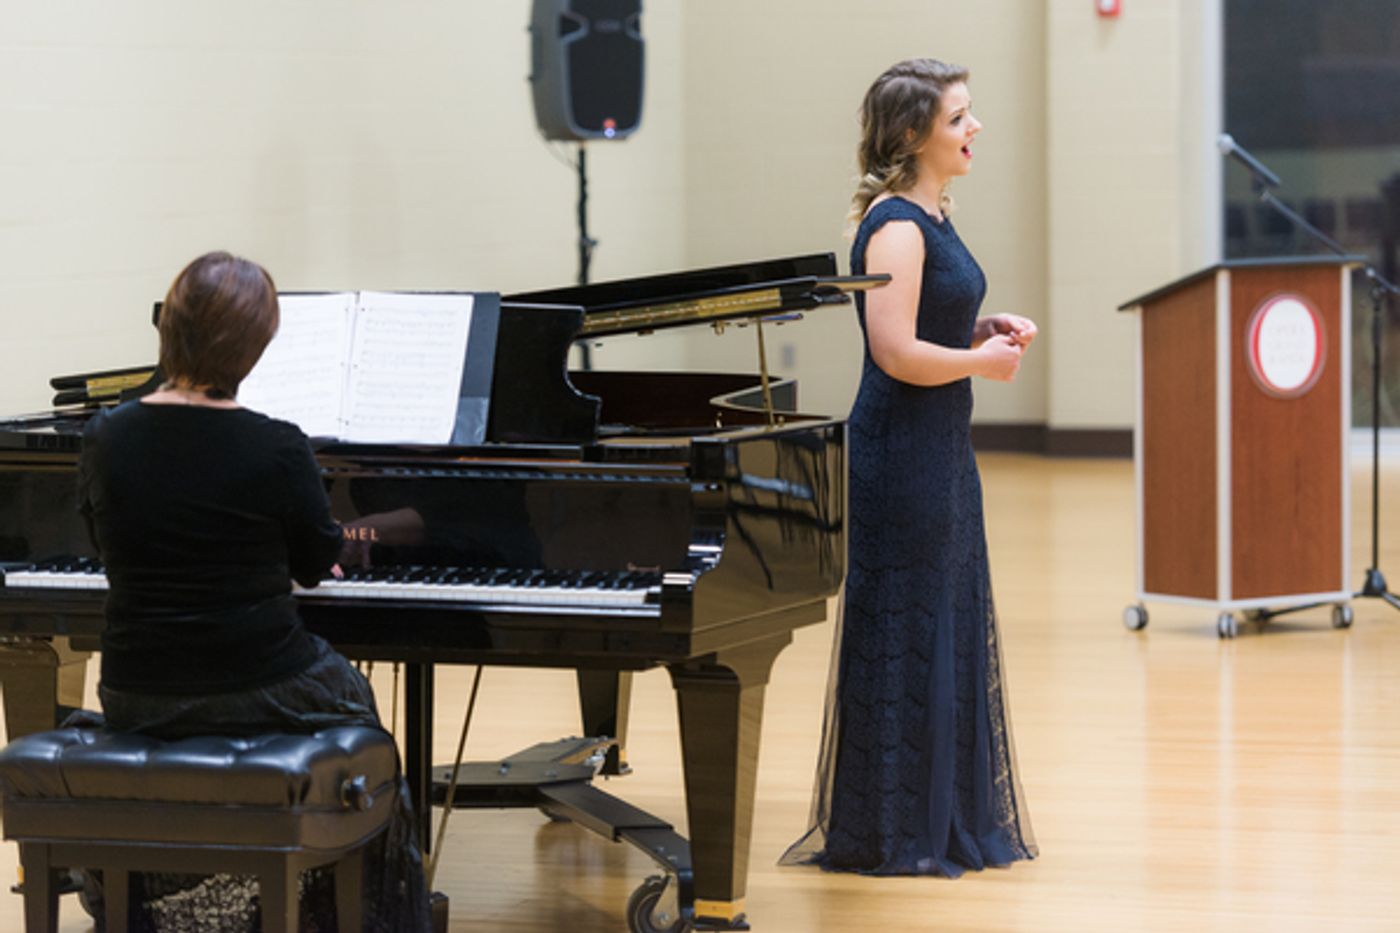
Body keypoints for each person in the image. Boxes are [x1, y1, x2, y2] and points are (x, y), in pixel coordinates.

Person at [77, 251, 432, 932]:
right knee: (361, 718)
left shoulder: (105, 436)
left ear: (168, 328)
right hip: (258, 680)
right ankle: (351, 910)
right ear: (255, 346)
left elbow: (104, 543)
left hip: (135, 687)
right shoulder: (275, 445)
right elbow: (312, 563)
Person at [781, 58, 1038, 876]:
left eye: (969, 113)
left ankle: (938, 814)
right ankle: (894, 827)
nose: (975, 128)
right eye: (959, 117)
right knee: (908, 621)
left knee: (943, 613)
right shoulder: (896, 225)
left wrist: (977, 331)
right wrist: (982, 365)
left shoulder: (933, 212)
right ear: (913, 135)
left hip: (939, 448)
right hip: (902, 453)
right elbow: (892, 352)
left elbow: (924, 324)